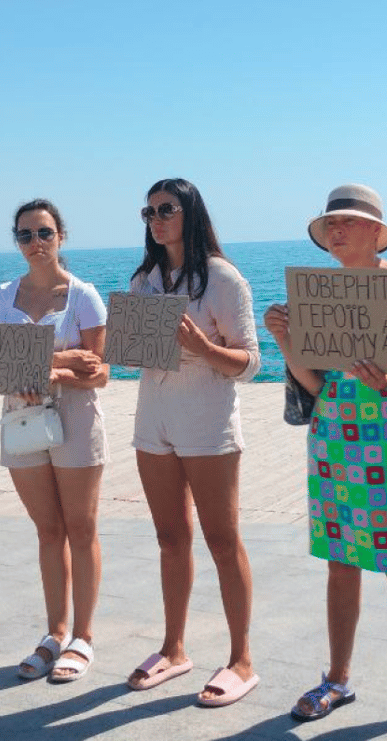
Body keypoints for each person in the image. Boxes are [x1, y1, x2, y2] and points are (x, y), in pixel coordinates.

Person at [265, 184, 387, 741]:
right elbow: (315, 386)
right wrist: (284, 341)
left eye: (347, 221)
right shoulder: (317, 294)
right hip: (337, 439)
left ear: (377, 231)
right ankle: (338, 678)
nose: (336, 230)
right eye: (331, 224)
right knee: (341, 562)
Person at [123, 178, 260, 707]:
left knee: (223, 541)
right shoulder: (144, 279)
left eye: (167, 209)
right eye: (149, 212)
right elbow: (134, 354)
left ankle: (241, 659)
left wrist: (202, 347)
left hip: (208, 423)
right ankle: (173, 649)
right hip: (153, 420)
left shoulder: (223, 278)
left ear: (191, 213)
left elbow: (250, 362)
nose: (156, 219)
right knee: (169, 538)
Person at [0, 200, 109, 683]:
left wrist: (44, 371)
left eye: (43, 233)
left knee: (81, 528)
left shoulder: (84, 296)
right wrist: (63, 360)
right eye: (25, 235)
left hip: (75, 418)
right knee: (47, 530)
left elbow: (99, 373)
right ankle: (55, 632)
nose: (35, 243)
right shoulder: (3, 296)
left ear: (61, 236)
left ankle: (84, 636)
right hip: (21, 419)